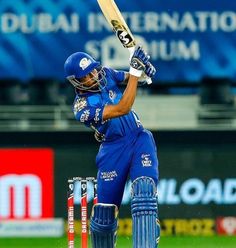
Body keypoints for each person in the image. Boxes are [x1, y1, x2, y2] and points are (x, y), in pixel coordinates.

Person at [64, 46, 160, 248]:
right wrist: (135, 72)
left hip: (138, 138)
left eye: (92, 70)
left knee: (144, 191)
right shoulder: (82, 107)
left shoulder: (106, 73)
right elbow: (123, 107)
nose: (93, 76)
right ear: (76, 82)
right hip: (112, 148)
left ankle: (147, 240)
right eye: (86, 76)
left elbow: (134, 79)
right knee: (103, 216)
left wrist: (143, 72)